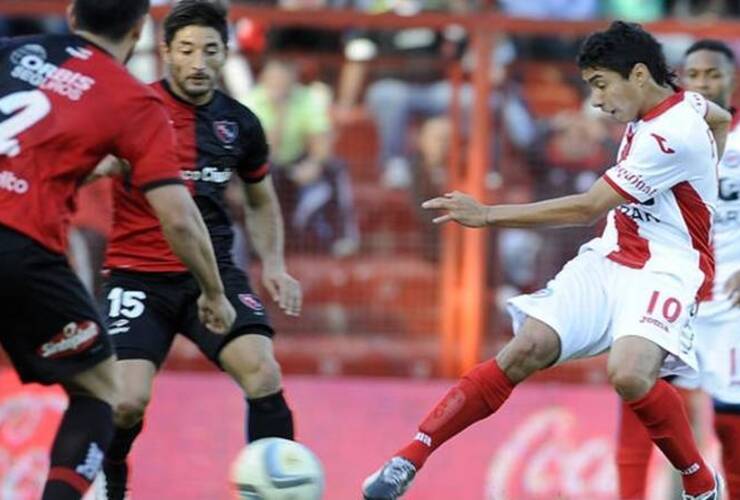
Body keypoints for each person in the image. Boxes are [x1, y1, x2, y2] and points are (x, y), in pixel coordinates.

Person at [362, 21, 730, 500]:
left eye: (601, 85)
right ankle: (409, 456)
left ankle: (701, 484)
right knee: (525, 348)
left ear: (638, 74)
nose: (597, 101)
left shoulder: (671, 136)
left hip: (668, 267)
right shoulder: (684, 105)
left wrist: (488, 213)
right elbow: (719, 117)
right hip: (611, 255)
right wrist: (709, 178)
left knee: (629, 373)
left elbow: (586, 207)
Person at [0, 1, 236, 498]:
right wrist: (214, 291)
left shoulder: (13, 51)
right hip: (19, 247)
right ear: (138, 31)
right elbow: (178, 216)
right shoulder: (134, 102)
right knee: (100, 390)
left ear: (70, 16)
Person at [94, 2, 301, 499]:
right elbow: (89, 163)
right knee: (126, 402)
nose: (198, 61)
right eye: (186, 49)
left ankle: (273, 490)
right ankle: (111, 475)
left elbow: (259, 197)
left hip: (213, 274)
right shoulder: (133, 110)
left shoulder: (240, 124)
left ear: (225, 54)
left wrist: (274, 263)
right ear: (166, 52)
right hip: (136, 277)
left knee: (263, 372)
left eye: (210, 50)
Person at [616, 38, 740, 500]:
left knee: (730, 421)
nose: (705, 83)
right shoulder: (656, 135)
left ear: (732, 80)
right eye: (696, 75)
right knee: (638, 396)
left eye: (714, 74)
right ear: (682, 81)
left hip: (730, 304)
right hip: (674, 291)